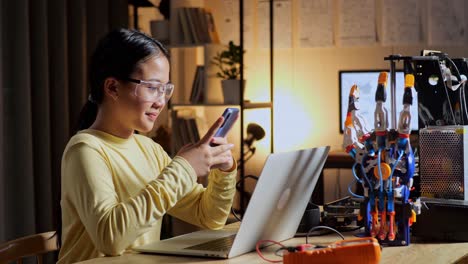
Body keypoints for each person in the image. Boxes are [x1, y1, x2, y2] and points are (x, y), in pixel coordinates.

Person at [57, 28, 237, 264]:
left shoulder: (148, 149)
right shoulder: (85, 150)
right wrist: (184, 169)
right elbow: (110, 238)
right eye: (152, 87)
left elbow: (209, 216)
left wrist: (224, 171)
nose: (161, 101)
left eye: (165, 89)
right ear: (112, 87)